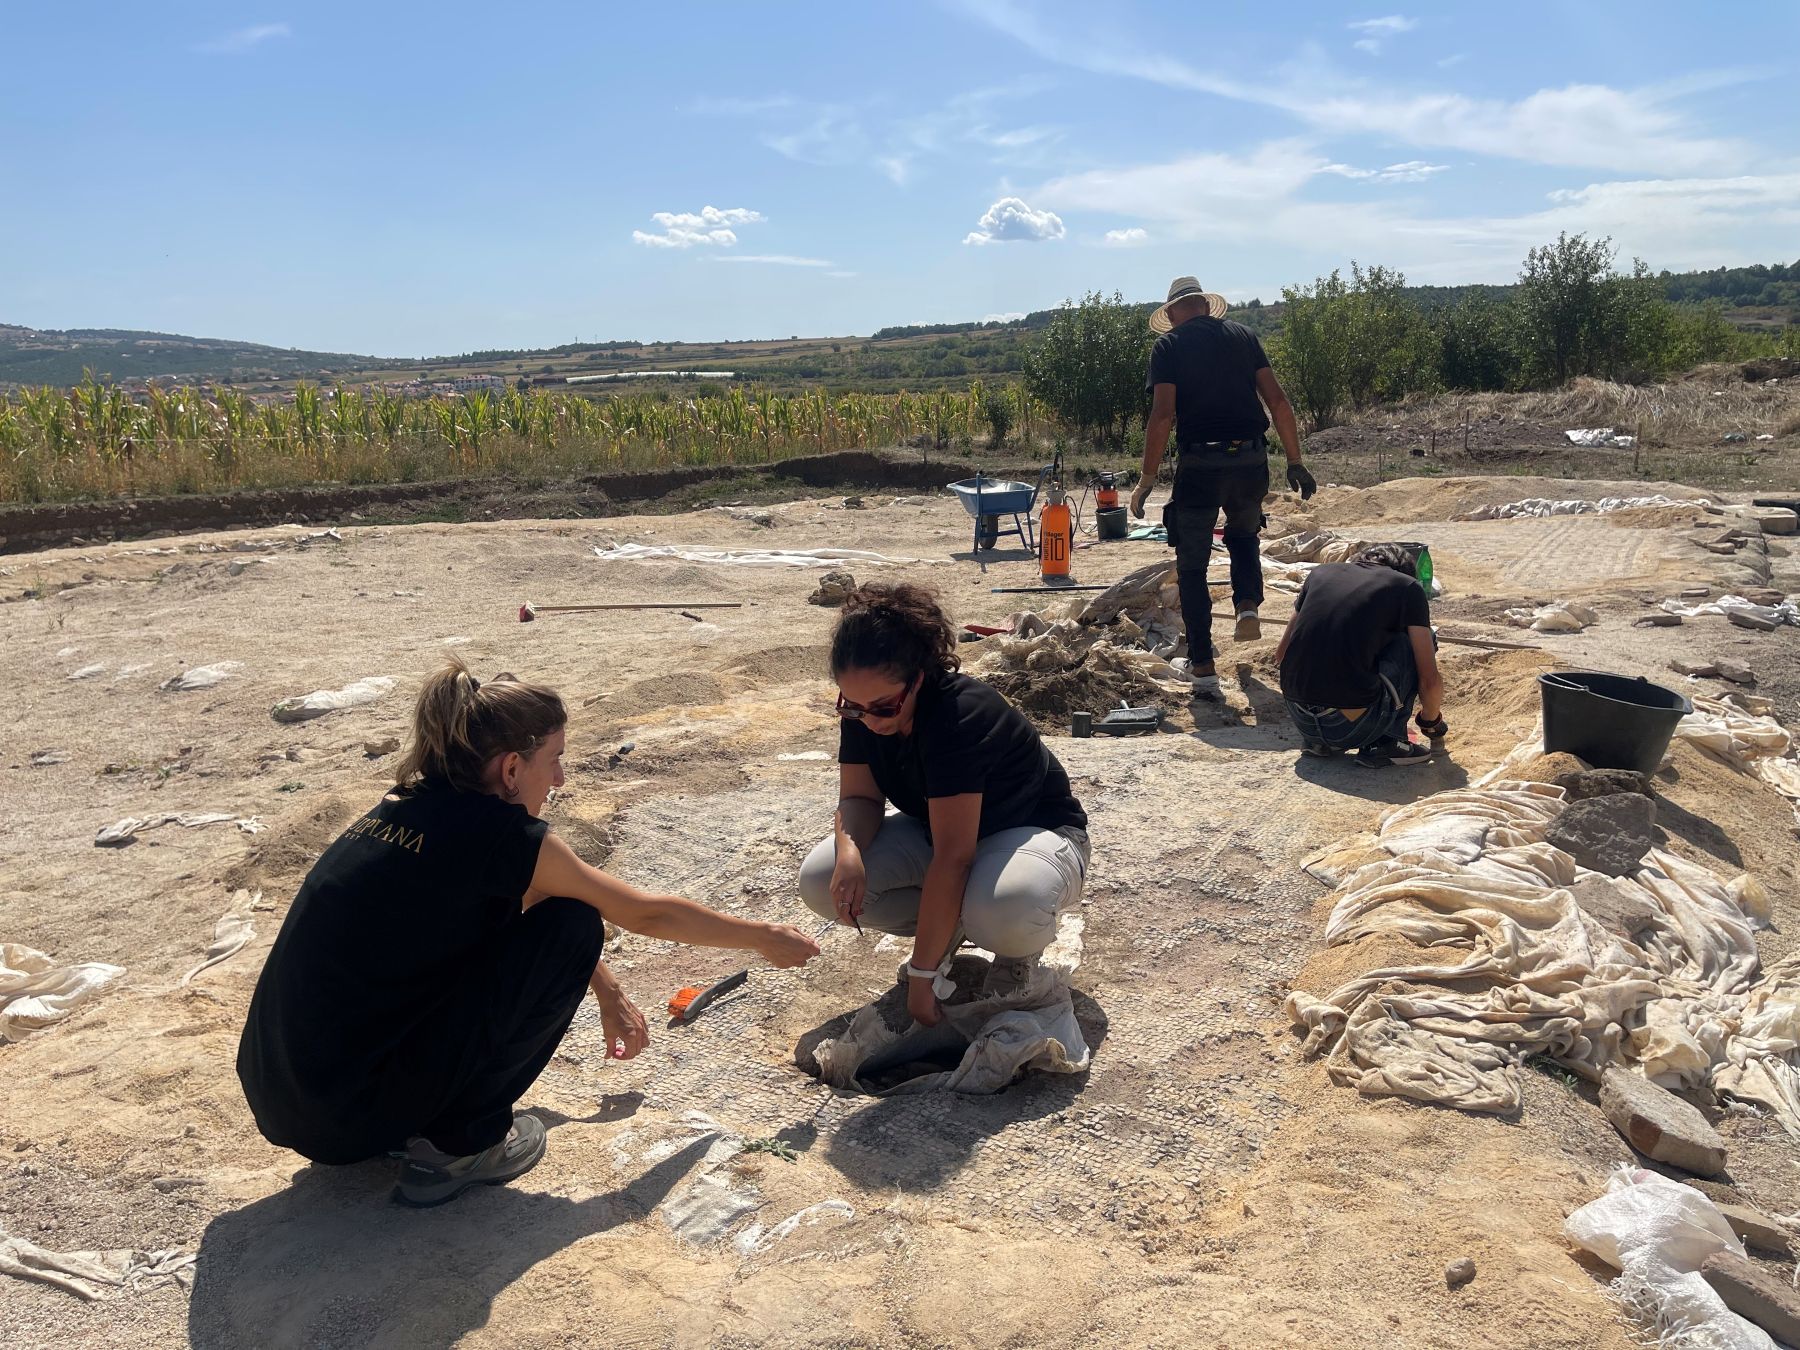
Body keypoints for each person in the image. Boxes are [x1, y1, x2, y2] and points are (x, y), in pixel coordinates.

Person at [237, 661, 819, 1207]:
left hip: (284, 1097)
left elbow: (529, 896)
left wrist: (609, 992)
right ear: (511, 768)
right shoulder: (501, 837)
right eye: (555, 759)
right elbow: (643, 915)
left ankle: (411, 1118)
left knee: (559, 919)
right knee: (574, 924)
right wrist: (761, 936)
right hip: (344, 1119)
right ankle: (458, 1148)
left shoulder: (400, 808)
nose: (561, 778)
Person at [797, 583, 1090, 1026]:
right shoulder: (865, 711)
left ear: (918, 677)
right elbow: (859, 798)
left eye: (882, 706)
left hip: (1031, 834)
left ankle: (1016, 952)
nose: (869, 720)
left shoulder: (959, 716)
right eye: (853, 706)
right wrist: (850, 854)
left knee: (1004, 909)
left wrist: (920, 976)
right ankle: (947, 933)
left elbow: (954, 858)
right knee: (822, 880)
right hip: (941, 832)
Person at [1129, 276, 1316, 700]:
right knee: (1244, 534)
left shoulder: (1169, 347)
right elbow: (1278, 401)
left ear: (1175, 312)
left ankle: (1204, 669)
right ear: (1206, 307)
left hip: (1201, 465)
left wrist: (1145, 480)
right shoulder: (1244, 337)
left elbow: (1162, 417)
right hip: (1250, 461)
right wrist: (1296, 461)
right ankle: (1247, 604)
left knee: (1192, 566)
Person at [1275, 543, 1448, 767]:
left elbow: (1281, 654)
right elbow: (1429, 680)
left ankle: (1317, 743)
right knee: (1411, 643)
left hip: (1302, 721)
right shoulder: (1406, 587)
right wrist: (1431, 721)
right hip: (1351, 725)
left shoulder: (1319, 574)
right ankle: (1386, 742)